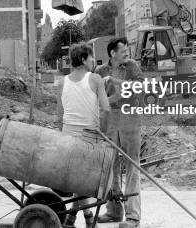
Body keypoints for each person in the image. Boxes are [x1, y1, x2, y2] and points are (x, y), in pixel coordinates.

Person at [56, 43, 111, 227]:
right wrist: (102, 132)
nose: (93, 60)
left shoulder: (63, 81)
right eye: (91, 57)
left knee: (76, 180)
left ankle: (73, 218)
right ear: (83, 59)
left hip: (67, 137)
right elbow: (106, 110)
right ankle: (87, 216)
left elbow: (58, 114)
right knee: (80, 181)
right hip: (89, 137)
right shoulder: (96, 79)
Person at [95, 37, 143, 228]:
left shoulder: (132, 67)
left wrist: (114, 81)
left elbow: (140, 87)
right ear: (112, 53)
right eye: (123, 51)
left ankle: (133, 217)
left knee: (132, 167)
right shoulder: (100, 71)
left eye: (127, 51)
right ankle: (114, 212)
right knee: (110, 165)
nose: (127, 54)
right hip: (109, 120)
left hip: (130, 118)